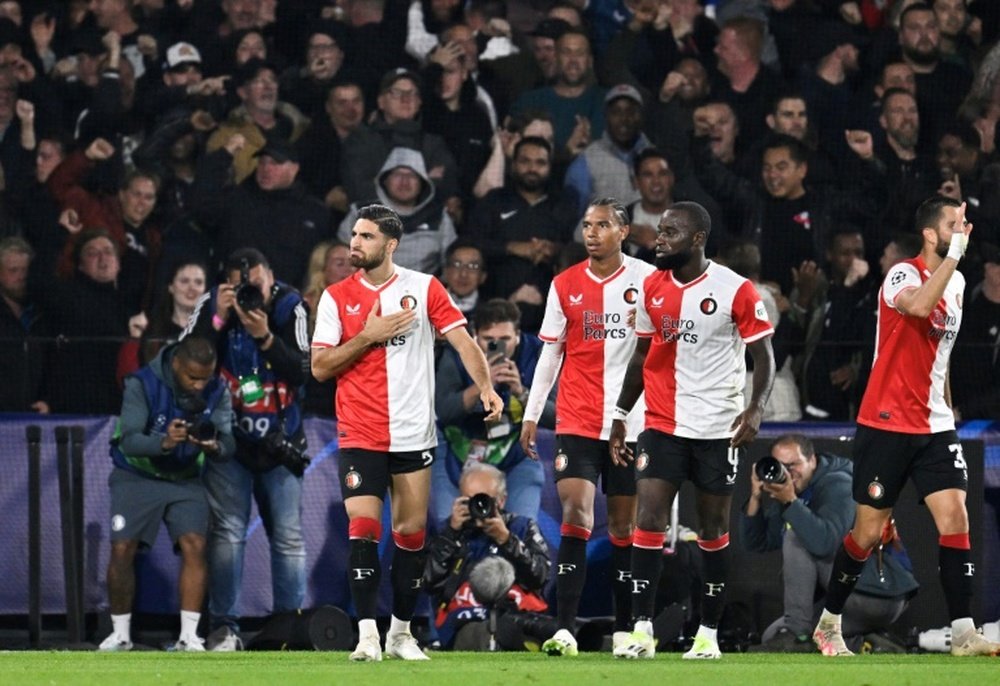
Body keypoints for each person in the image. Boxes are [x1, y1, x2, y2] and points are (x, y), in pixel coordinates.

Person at [311, 203, 503, 662]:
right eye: (354, 235)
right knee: (362, 529)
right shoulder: (336, 297)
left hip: (414, 435)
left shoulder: (424, 288)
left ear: (390, 245)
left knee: (411, 535)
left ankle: (400, 633)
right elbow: (320, 367)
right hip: (361, 433)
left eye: (366, 237)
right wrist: (368, 336)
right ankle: (366, 636)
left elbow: (463, 341)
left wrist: (487, 387)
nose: (355, 243)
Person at [812, 196, 1000, 658]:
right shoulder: (903, 272)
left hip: (934, 426)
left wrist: (948, 407)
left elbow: (942, 354)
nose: (965, 230)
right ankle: (829, 623)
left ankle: (963, 632)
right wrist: (954, 255)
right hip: (886, 423)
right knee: (868, 534)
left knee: (956, 517)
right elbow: (917, 308)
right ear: (932, 235)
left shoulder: (955, 282)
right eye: (956, 224)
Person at [609, 201, 776, 660]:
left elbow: (764, 355)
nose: (659, 239)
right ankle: (642, 630)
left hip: (717, 427)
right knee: (649, 518)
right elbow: (642, 358)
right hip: (662, 423)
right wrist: (621, 414)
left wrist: (756, 408)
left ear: (697, 239)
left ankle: (708, 633)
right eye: (660, 231)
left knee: (712, 527)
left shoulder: (735, 289)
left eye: (670, 233)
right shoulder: (651, 288)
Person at [519, 198, 656, 657]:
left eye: (602, 225)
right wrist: (532, 414)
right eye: (586, 225)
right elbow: (550, 354)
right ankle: (564, 628)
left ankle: (624, 629)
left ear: (623, 231)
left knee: (622, 526)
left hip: (632, 424)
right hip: (577, 419)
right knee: (576, 513)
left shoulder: (647, 282)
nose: (592, 233)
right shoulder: (564, 284)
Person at [183, 247, 311, 652]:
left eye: (257, 284)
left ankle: (289, 628)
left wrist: (266, 338)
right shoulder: (211, 305)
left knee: (288, 537)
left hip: (282, 441)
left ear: (271, 277)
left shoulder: (293, 306)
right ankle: (224, 628)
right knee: (227, 535)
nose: (250, 294)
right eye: (242, 287)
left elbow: (305, 370)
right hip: (228, 443)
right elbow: (187, 364)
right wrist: (219, 319)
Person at [98, 335, 235, 652]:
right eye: (192, 377)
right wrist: (165, 441)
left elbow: (229, 444)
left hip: (185, 479)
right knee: (122, 548)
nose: (200, 385)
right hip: (136, 474)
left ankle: (189, 637)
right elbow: (130, 440)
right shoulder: (142, 383)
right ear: (176, 364)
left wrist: (212, 445)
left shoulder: (218, 390)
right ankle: (120, 634)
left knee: (196, 545)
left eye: (205, 377)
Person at [740, 434, 917, 652]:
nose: (787, 473)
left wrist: (791, 502)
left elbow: (825, 543)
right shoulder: (792, 489)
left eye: (793, 464)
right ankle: (867, 643)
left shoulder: (839, 483)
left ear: (812, 460)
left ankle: (797, 632)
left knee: (798, 537)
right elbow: (758, 542)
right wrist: (756, 497)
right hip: (847, 594)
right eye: (780, 466)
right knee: (773, 636)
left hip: (878, 592)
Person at [434, 298, 553, 524]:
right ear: (475, 335)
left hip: (515, 453)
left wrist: (521, 391)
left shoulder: (537, 354)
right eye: (488, 339)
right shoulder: (457, 352)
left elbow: (556, 417)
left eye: (505, 339)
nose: (496, 346)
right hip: (458, 451)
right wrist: (481, 384)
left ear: (518, 336)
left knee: (523, 526)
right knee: (448, 525)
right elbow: (444, 411)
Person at [424, 462, 550, 650]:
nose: (477, 507)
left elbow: (540, 577)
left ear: (501, 501)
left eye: (483, 500)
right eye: (468, 500)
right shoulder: (447, 531)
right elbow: (429, 581)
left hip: (516, 616)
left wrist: (507, 540)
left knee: (521, 629)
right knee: (480, 633)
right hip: (464, 620)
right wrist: (451, 535)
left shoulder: (521, 527)